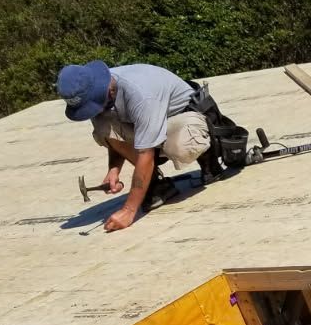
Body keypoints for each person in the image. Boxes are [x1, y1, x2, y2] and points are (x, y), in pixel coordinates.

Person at [56, 60, 211, 232]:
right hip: (150, 122)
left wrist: (129, 210)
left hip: (184, 116)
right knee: (103, 125)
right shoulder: (96, 95)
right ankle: (157, 186)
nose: (92, 110)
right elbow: (112, 134)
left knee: (180, 146)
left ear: (106, 90)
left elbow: (146, 153)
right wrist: (114, 169)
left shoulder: (140, 94)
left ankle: (209, 153)